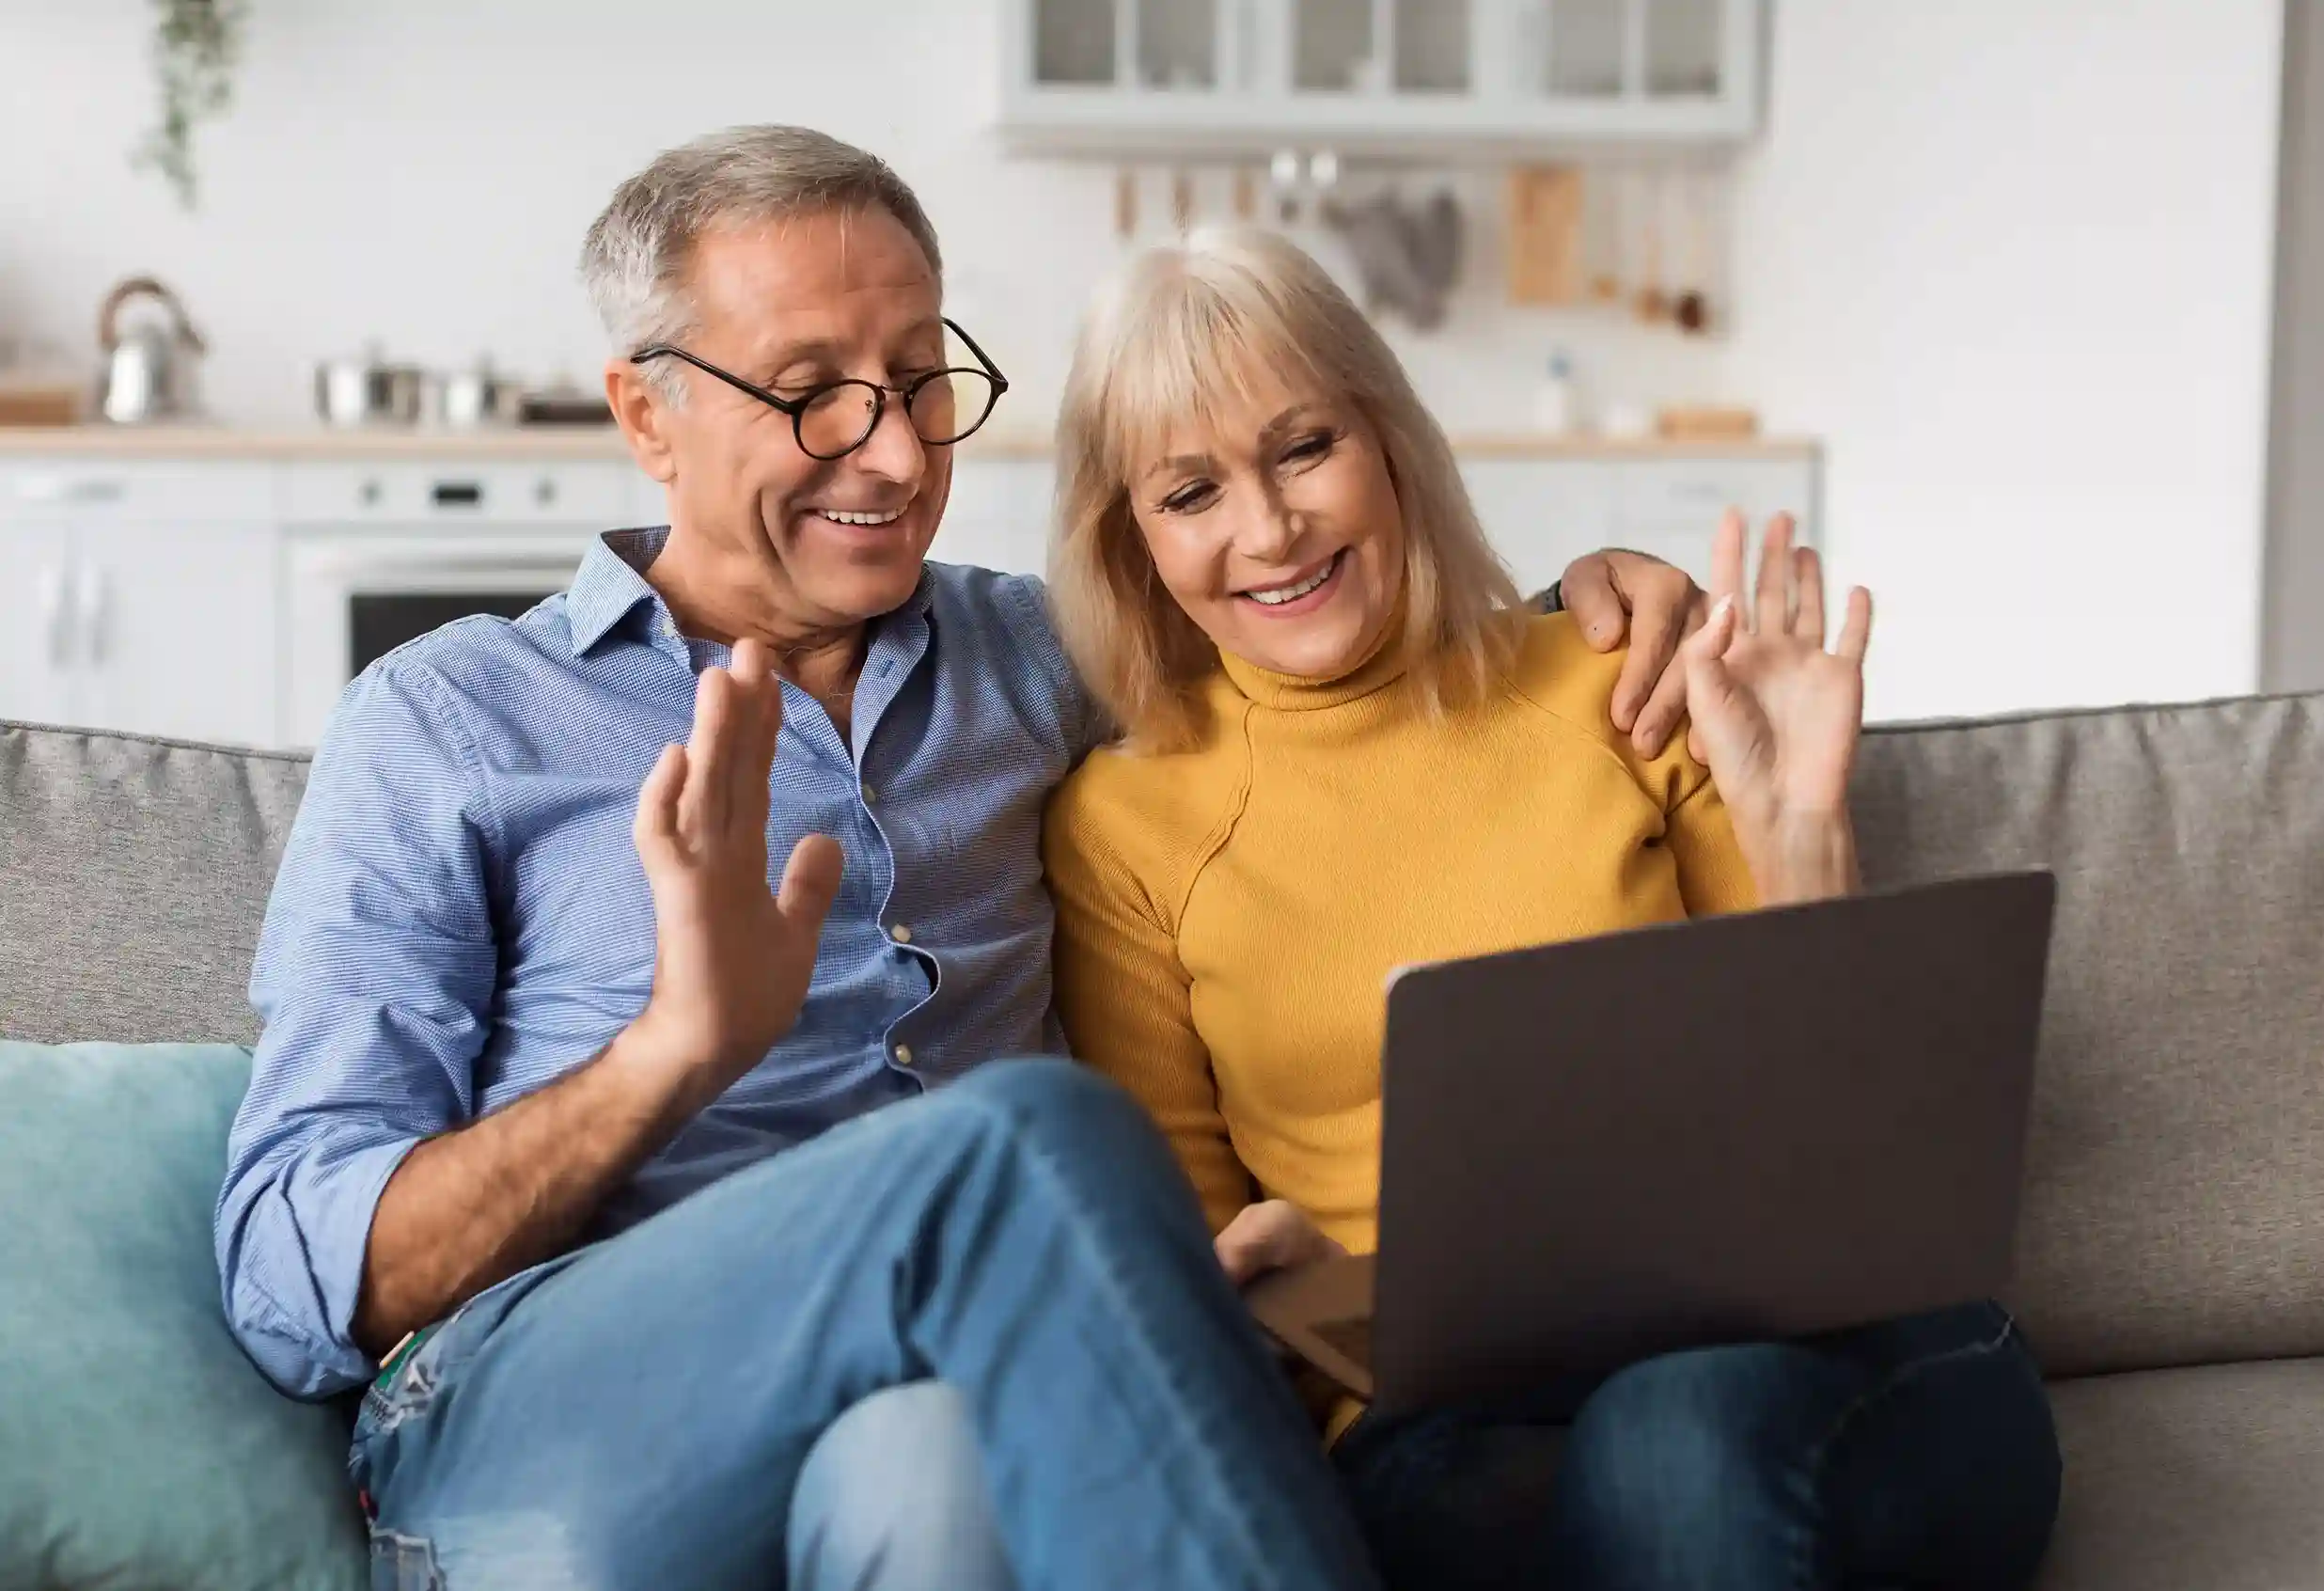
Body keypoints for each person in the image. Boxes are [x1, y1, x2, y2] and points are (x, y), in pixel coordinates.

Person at [212, 127, 1711, 1591]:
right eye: (812, 395)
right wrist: (666, 1056)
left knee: (938, 1469)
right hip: (539, 1427)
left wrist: (1584, 611)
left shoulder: (1048, 662)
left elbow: (1320, 633)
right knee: (1023, 1143)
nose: (892, 450)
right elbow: (291, 1283)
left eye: (922, 381)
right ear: (647, 414)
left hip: (945, 1383)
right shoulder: (453, 721)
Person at [1042, 228, 2064, 1591]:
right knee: (1658, 1459)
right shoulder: (1124, 829)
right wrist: (1307, 1290)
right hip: (1452, 1417)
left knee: (1683, 1428)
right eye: (1191, 491)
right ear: (1132, 540)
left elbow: (1856, 1170)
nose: (1271, 529)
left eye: (1304, 448)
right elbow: (1200, 1306)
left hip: (1828, 1353)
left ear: (1385, 439)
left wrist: (1804, 834)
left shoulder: (1618, 679)